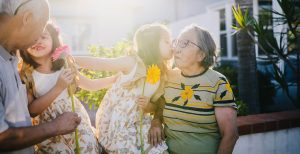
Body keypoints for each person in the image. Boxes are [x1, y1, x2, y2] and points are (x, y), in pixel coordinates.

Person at [74, 24, 173, 153]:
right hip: (121, 124)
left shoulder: (162, 72)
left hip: (140, 122)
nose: (171, 45)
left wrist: (149, 106)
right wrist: (71, 59)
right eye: (166, 41)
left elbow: (156, 105)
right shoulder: (133, 62)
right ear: (152, 44)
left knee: (156, 149)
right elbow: (101, 63)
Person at [20, 23, 118, 153]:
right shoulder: (27, 74)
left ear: (53, 41)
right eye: (32, 38)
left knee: (85, 148)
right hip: (51, 131)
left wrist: (115, 79)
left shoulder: (64, 66)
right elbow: (32, 110)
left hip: (76, 122)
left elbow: (90, 84)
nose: (38, 41)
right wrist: (59, 87)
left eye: (43, 37)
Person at [141, 25, 239, 154]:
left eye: (185, 43)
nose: (176, 49)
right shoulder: (168, 76)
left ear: (201, 55)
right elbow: (160, 105)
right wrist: (156, 121)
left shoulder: (217, 82)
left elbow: (230, 135)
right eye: (177, 42)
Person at [0, 0, 81, 153]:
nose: (38, 38)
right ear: (27, 18)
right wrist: (56, 126)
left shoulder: (11, 58)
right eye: (41, 27)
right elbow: (3, 138)